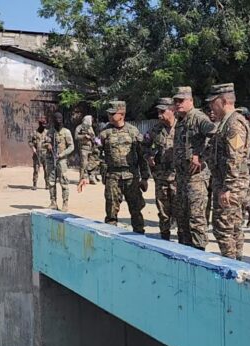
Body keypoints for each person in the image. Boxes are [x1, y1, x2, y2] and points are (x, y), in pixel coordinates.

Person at [85, 101, 149, 233]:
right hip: (112, 177)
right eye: (109, 113)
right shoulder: (104, 132)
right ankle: (110, 239)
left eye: (113, 113)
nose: (109, 115)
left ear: (122, 114)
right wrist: (86, 174)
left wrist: (145, 177)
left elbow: (142, 155)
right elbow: (95, 153)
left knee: (136, 211)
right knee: (111, 213)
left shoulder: (133, 131)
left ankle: (139, 239)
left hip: (131, 176)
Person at [206, 84, 250, 259]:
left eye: (213, 102)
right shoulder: (225, 123)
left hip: (230, 185)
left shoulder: (234, 124)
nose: (210, 107)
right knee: (233, 227)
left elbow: (235, 157)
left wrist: (228, 188)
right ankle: (237, 263)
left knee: (224, 228)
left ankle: (231, 266)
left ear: (223, 101)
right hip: (225, 183)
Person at [172, 86, 216, 251]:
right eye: (175, 101)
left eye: (181, 101)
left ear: (191, 101)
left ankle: (199, 253)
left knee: (196, 218)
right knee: (182, 218)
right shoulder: (181, 120)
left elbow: (215, 135)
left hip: (196, 178)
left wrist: (201, 156)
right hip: (182, 178)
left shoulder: (198, 117)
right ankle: (185, 251)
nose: (178, 104)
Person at [144, 98, 178, 240]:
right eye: (158, 111)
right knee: (163, 210)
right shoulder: (156, 129)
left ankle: (182, 240)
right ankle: (165, 238)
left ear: (172, 110)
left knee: (180, 211)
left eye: (163, 111)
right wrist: (148, 156)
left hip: (178, 176)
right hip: (161, 176)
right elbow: (145, 145)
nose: (159, 115)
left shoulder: (182, 126)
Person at [46, 112, 74, 211]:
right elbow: (44, 143)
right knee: (51, 182)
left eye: (59, 119)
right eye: (56, 119)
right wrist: (47, 145)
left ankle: (65, 203)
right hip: (50, 160)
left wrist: (62, 154)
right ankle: (53, 202)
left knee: (64, 182)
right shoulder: (50, 132)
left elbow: (71, 146)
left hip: (61, 161)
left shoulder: (66, 132)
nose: (58, 121)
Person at [75, 115, 97, 185]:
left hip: (91, 148)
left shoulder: (90, 128)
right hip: (83, 148)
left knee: (92, 163)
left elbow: (94, 136)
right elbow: (76, 136)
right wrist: (84, 136)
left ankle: (91, 178)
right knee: (83, 164)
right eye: (90, 119)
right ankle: (81, 179)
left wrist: (94, 139)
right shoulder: (79, 127)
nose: (91, 121)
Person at [30, 117, 49, 190]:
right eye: (42, 125)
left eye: (45, 125)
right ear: (39, 124)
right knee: (36, 170)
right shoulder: (34, 133)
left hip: (45, 154)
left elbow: (51, 141)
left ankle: (47, 184)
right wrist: (33, 148)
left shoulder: (47, 132)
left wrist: (49, 144)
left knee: (47, 170)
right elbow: (30, 141)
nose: (44, 126)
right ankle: (34, 184)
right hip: (37, 154)